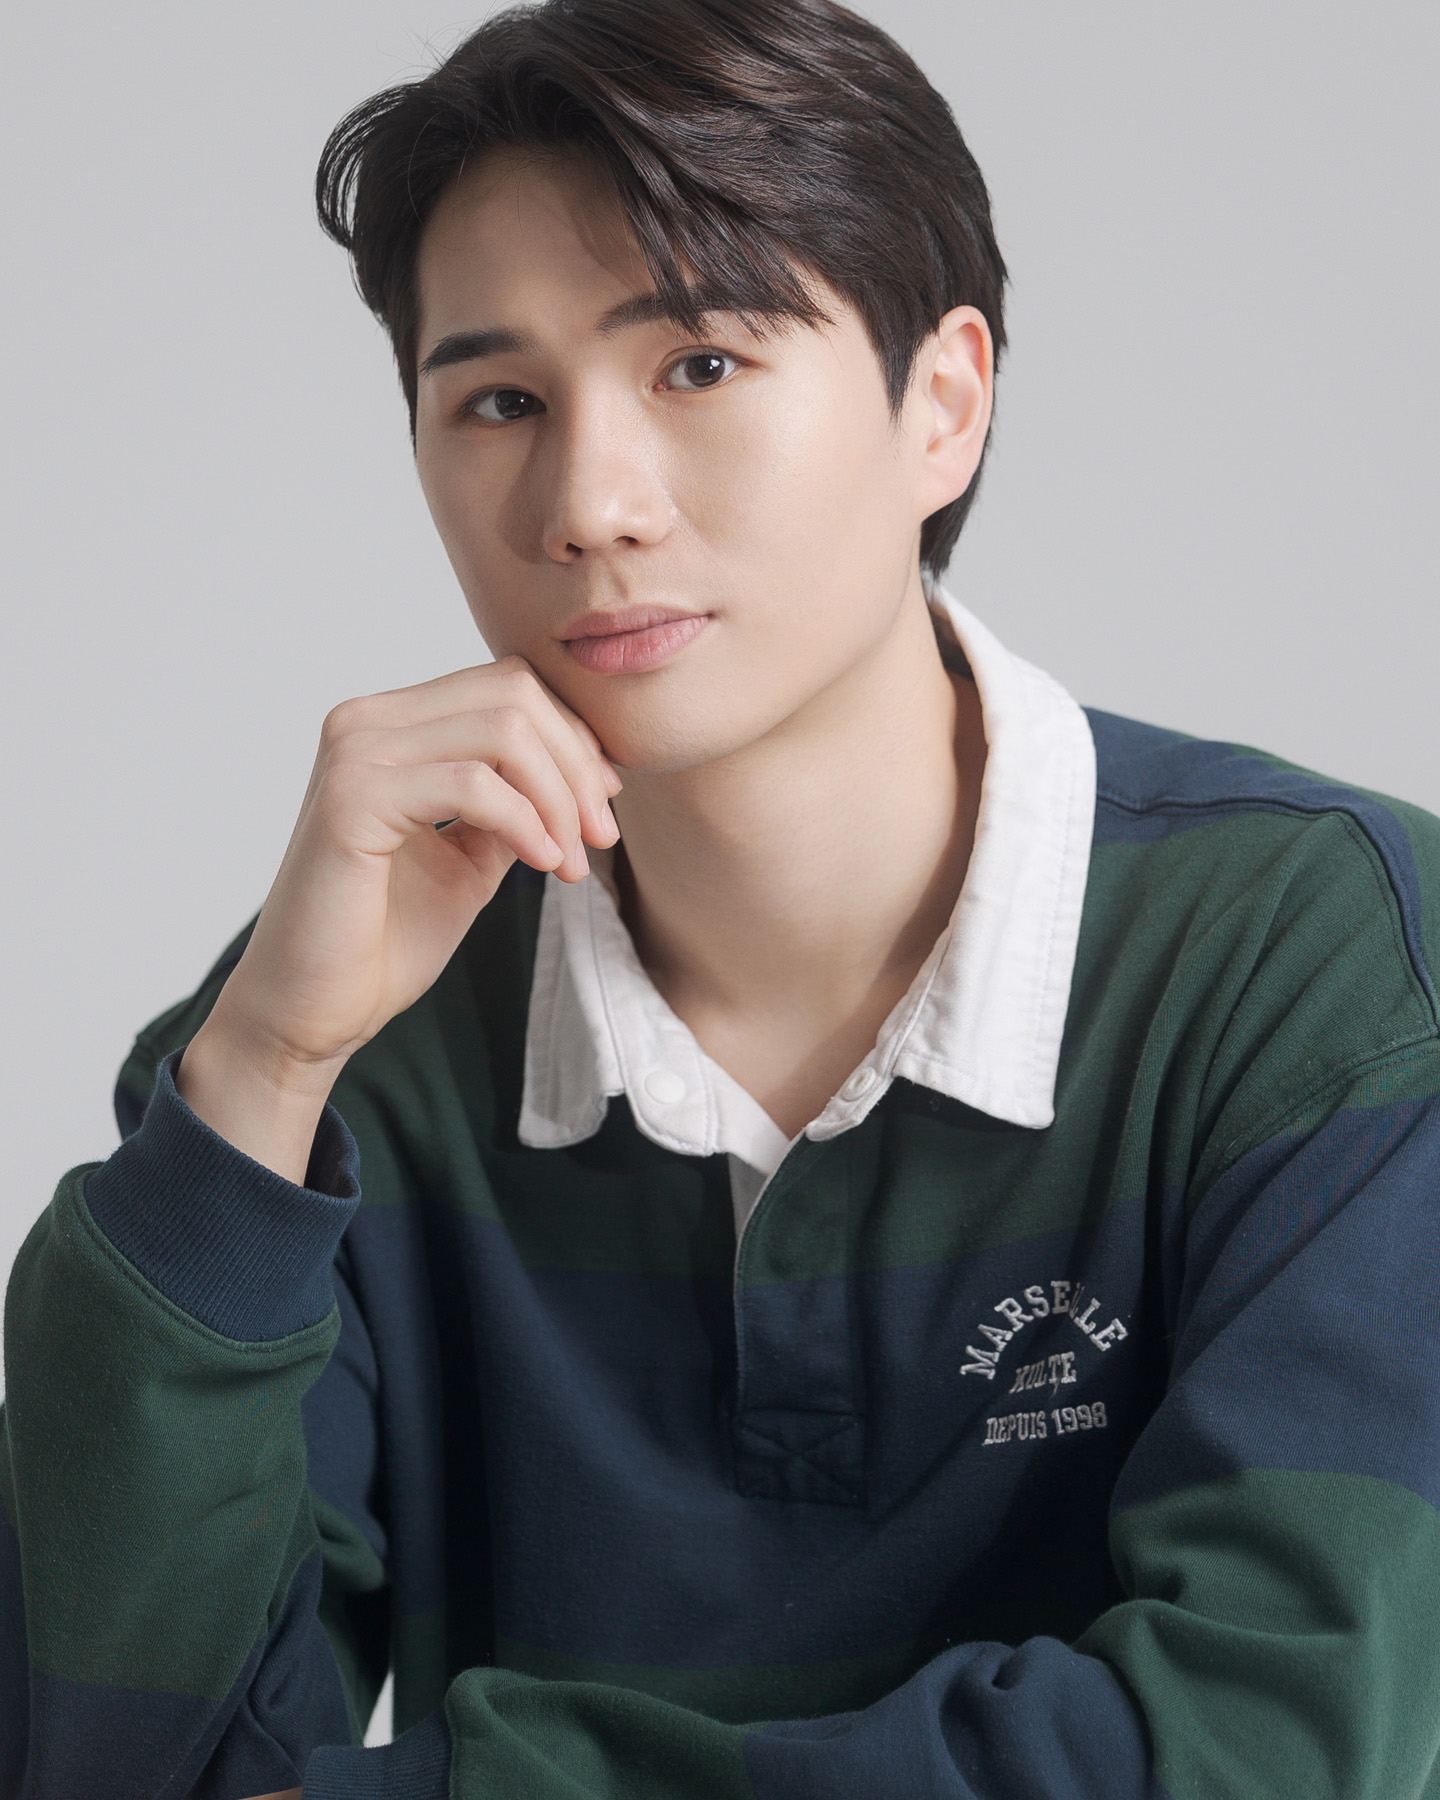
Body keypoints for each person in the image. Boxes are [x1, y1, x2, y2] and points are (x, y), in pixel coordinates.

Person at [4, 0, 1439, 1794]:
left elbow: (1276, 1748)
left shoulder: (1329, 961)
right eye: (500, 400)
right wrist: (257, 1079)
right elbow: (106, 1760)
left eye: (697, 364)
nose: (589, 505)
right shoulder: (344, 1021)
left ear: (944, 405)